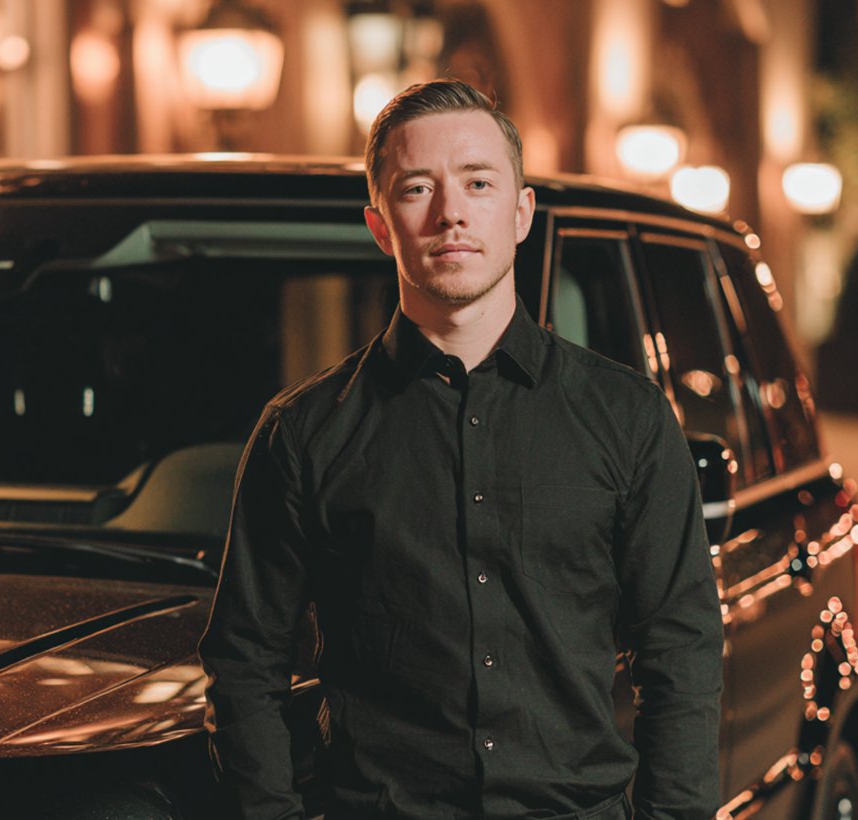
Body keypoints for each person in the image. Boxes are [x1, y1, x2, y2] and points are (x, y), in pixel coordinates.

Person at [199, 79, 724, 820]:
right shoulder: (303, 432)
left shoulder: (627, 417)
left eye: (478, 183)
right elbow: (245, 664)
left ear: (521, 212)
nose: (451, 212)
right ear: (381, 227)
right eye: (417, 188)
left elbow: (680, 653)